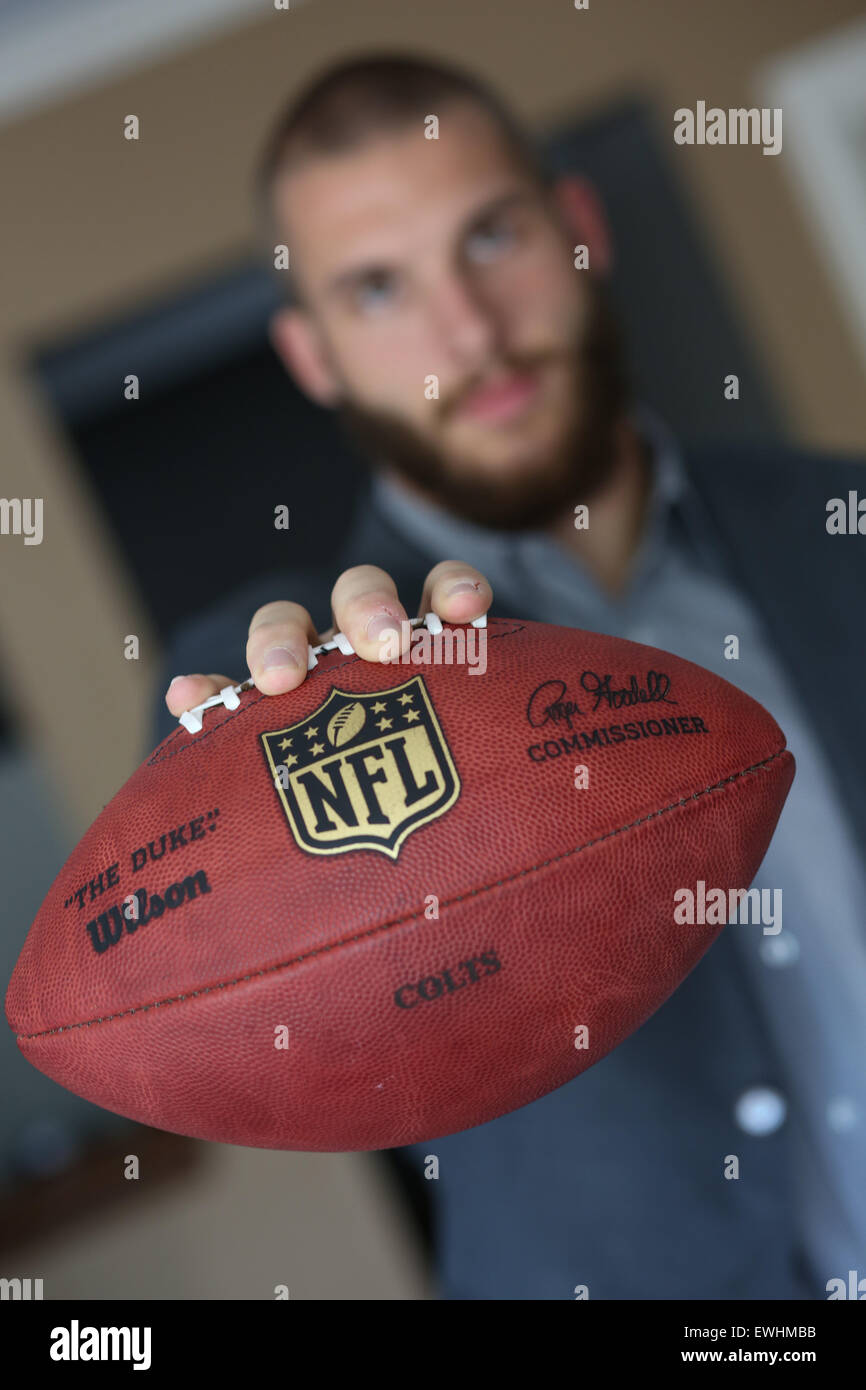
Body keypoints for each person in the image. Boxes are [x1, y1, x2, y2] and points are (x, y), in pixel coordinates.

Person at [155, 54, 866, 1300]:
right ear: (312, 357)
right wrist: (283, 744)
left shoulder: (837, 524)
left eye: (492, 236)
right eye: (376, 288)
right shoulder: (269, 688)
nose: (467, 331)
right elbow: (242, 972)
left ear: (578, 230)